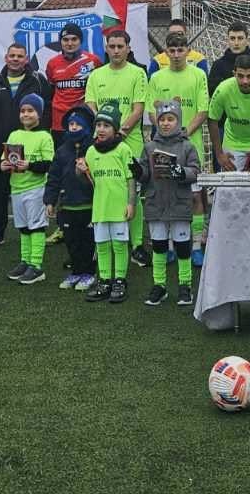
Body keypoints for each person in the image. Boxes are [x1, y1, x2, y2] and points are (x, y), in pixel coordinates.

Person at [85, 28, 150, 263]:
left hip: (130, 141)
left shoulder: (138, 73)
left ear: (128, 48)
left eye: (120, 46)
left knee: (133, 192)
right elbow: (90, 104)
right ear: (106, 48)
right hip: (102, 141)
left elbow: (138, 108)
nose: (116, 51)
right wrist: (106, 129)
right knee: (103, 188)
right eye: (111, 47)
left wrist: (120, 133)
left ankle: (137, 245)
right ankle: (102, 241)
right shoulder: (96, 75)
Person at [146, 33, 210, 263]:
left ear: (187, 51)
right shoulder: (157, 77)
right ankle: (171, 246)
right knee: (166, 195)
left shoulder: (198, 74)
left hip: (191, 147)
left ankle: (196, 246)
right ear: (166, 52)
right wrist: (166, 133)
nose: (175, 55)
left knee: (194, 197)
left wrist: (184, 133)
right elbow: (151, 111)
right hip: (163, 147)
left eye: (180, 50)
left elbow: (203, 110)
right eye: (171, 50)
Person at [0, 41, 50, 249]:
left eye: (20, 56)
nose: (15, 59)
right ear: (6, 58)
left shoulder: (38, 80)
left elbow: (46, 110)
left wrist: (40, 135)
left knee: (30, 191)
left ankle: (33, 231)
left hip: (29, 146)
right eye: (12, 56)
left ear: (26, 59)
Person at [138, 100, 201, 306]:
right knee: (159, 246)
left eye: (170, 119)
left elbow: (196, 171)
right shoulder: (149, 147)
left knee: (183, 247)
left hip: (179, 203)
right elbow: (145, 174)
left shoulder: (187, 146)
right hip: (156, 204)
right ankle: (159, 285)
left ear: (178, 121)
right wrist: (138, 172)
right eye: (162, 120)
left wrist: (182, 172)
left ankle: (185, 285)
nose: (165, 123)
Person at [80, 106, 137, 303]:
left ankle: (120, 281)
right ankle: (104, 281)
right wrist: (80, 171)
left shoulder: (123, 149)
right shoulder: (90, 151)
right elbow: (88, 181)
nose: (101, 129)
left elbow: (131, 178)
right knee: (102, 245)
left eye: (106, 125)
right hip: (100, 209)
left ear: (115, 128)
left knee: (120, 245)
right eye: (99, 125)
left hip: (119, 207)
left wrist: (131, 203)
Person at [0, 92, 55, 285]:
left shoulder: (44, 136)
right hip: (16, 188)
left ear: (39, 113)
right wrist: (3, 165)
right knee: (23, 227)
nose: (26, 114)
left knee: (36, 227)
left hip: (36, 188)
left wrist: (29, 166)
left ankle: (36, 266)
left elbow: (49, 164)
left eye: (30, 110)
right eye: (23, 111)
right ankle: (25, 261)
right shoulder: (14, 134)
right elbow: (5, 158)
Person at [44, 106, 99, 290]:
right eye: (71, 124)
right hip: (67, 206)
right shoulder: (62, 150)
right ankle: (76, 272)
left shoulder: (93, 149)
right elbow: (54, 177)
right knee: (72, 242)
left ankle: (89, 273)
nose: (74, 127)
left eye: (78, 124)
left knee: (88, 242)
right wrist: (50, 200)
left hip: (89, 206)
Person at [43, 23, 100, 145]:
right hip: (59, 121)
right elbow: (51, 90)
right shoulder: (52, 63)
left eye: (74, 39)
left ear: (81, 41)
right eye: (65, 40)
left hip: (83, 118)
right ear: (60, 42)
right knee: (61, 154)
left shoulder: (93, 61)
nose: (70, 43)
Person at [206, 23, 250, 93]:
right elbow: (213, 93)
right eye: (232, 38)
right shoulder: (218, 66)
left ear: (247, 40)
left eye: (240, 38)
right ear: (227, 40)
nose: (236, 43)